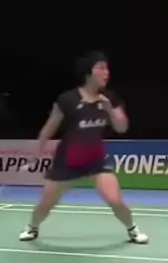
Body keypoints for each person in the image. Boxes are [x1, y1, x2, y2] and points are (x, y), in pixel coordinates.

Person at [19, 51, 149, 244]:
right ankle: (32, 227)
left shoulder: (110, 98)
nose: (106, 73)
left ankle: (133, 230)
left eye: (107, 69)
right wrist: (36, 153)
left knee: (115, 200)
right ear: (88, 72)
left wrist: (109, 109)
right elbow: (49, 128)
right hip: (67, 160)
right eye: (101, 68)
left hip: (96, 160)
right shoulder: (67, 99)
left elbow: (122, 127)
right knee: (46, 204)